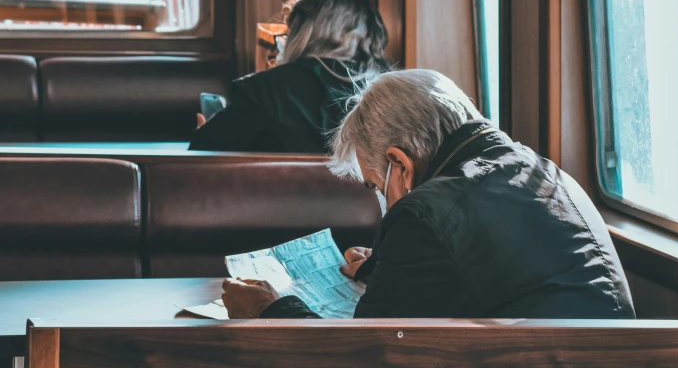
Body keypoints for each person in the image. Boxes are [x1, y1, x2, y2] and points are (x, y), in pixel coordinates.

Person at [222, 69, 636, 320]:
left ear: (399, 165)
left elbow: (358, 359)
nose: (380, 200)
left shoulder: (421, 214)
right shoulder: (542, 171)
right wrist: (384, 269)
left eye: (374, 186)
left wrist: (270, 311)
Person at [188, 0, 389, 153]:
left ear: (302, 32)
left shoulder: (266, 88)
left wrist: (205, 130)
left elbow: (203, 154)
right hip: (372, 201)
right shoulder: (392, 88)